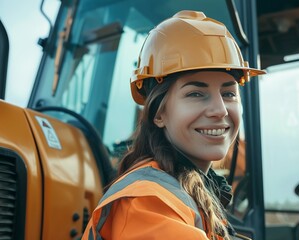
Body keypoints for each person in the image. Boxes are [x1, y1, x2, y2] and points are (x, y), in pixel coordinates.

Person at [82, 10, 265, 240]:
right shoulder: (147, 202)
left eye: (229, 93)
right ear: (158, 114)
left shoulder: (189, 193)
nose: (220, 110)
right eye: (196, 94)